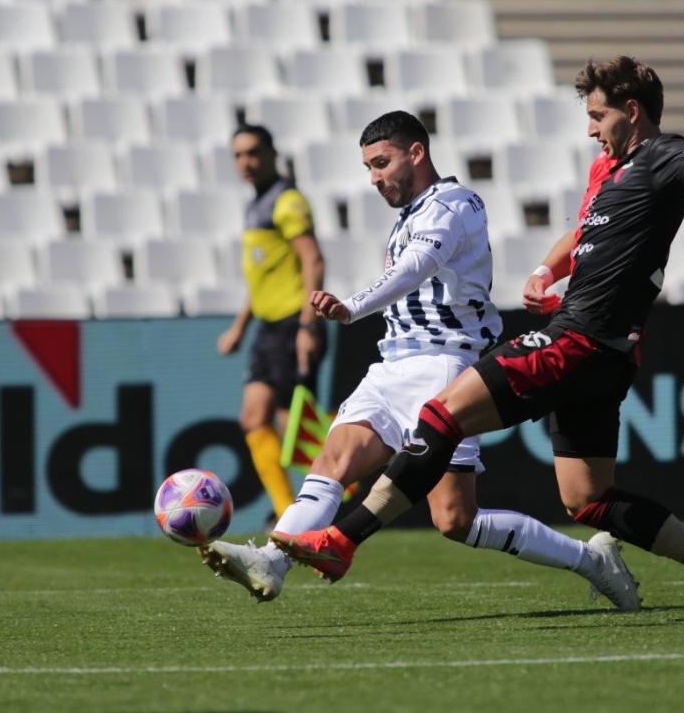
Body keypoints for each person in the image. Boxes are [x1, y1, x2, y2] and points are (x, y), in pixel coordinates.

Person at [273, 57, 684, 622]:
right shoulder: (607, 168)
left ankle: (341, 542)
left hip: (578, 340)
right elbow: (584, 230)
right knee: (588, 498)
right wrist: (545, 270)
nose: (590, 128)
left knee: (440, 414)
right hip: (606, 355)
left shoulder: (662, 157)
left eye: (598, 115)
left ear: (632, 111)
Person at [199, 110, 639, 612]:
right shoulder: (407, 217)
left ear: (416, 152)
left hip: (446, 369)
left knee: (455, 519)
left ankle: (593, 561)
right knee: (332, 461)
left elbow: (417, 267)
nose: (374, 178)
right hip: (390, 366)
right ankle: (271, 564)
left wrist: (353, 306)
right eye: (367, 168)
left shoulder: (457, 203)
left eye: (381, 163)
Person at [217, 124, 326, 528]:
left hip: (291, 324)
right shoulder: (256, 204)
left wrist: (307, 327)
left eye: (253, 153)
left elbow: (313, 260)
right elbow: (264, 277)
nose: (245, 162)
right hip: (268, 328)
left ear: (271, 153)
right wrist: (240, 327)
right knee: (254, 419)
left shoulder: (286, 201)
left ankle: (347, 480)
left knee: (294, 430)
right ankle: (288, 515)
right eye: (238, 155)